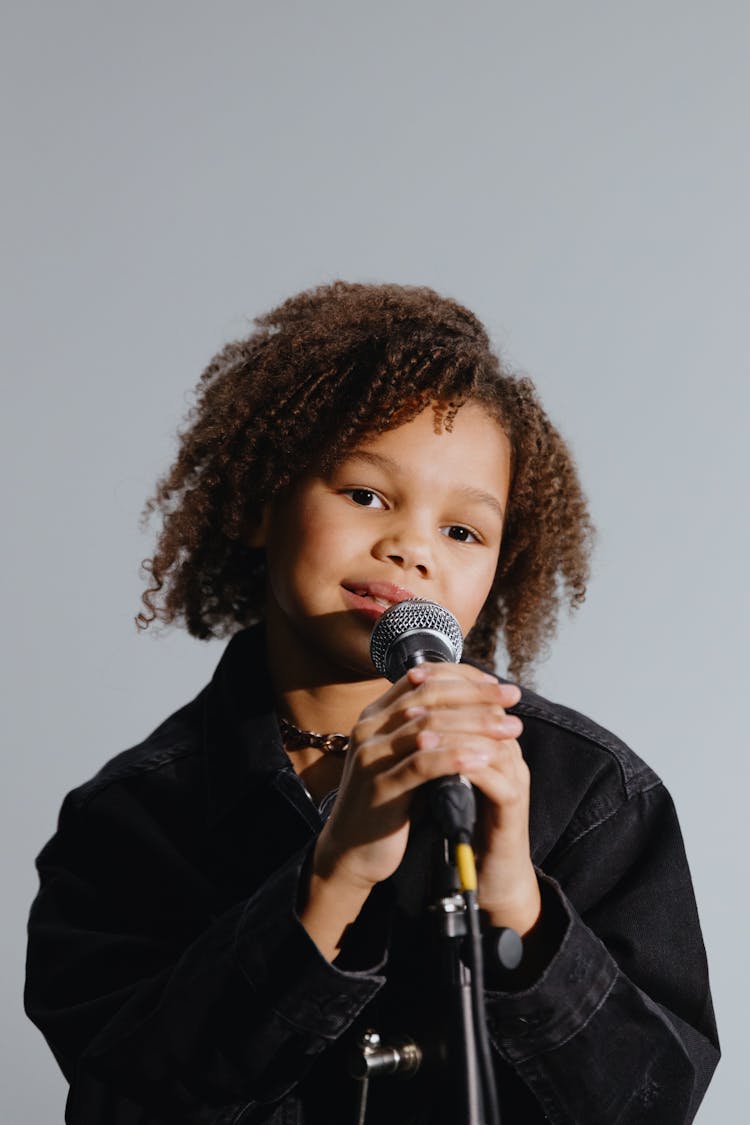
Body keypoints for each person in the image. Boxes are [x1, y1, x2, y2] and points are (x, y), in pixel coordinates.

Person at [25, 281, 719, 1124]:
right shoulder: (130, 819)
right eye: (365, 494)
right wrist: (337, 866)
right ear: (259, 501)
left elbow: (656, 1101)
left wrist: (520, 906)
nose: (410, 547)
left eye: (462, 531)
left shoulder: (593, 793)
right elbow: (129, 1100)